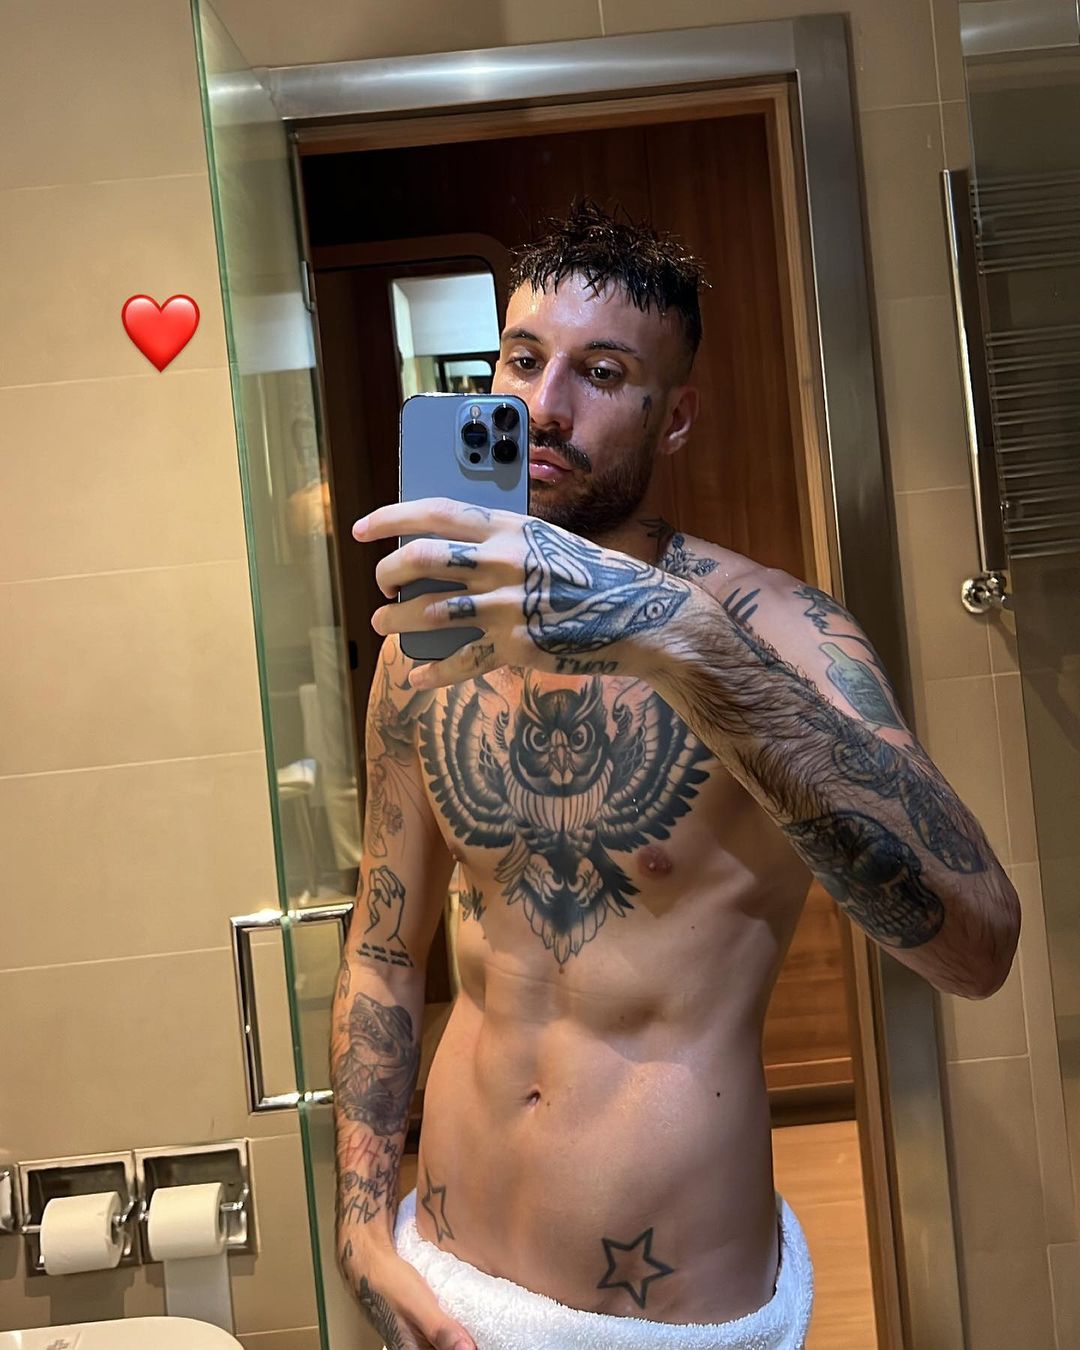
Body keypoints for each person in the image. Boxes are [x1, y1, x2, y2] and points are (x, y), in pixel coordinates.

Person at [331, 201, 1020, 1350]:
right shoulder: (425, 645)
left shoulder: (771, 633)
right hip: (442, 1280)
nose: (544, 407)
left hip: (668, 1323)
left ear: (678, 415)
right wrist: (361, 1226)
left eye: (601, 373)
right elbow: (385, 949)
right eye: (524, 360)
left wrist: (689, 650)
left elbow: (978, 946)